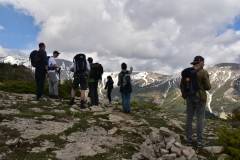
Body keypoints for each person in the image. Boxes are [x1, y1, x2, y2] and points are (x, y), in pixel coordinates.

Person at [180, 55, 211, 148]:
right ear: (199, 62)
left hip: (189, 97)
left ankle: (189, 140)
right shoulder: (203, 72)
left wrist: (185, 94)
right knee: (200, 118)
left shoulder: (187, 72)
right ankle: (200, 142)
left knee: (189, 118)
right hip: (199, 97)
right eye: (203, 62)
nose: (204, 64)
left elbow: (181, 85)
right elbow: (208, 87)